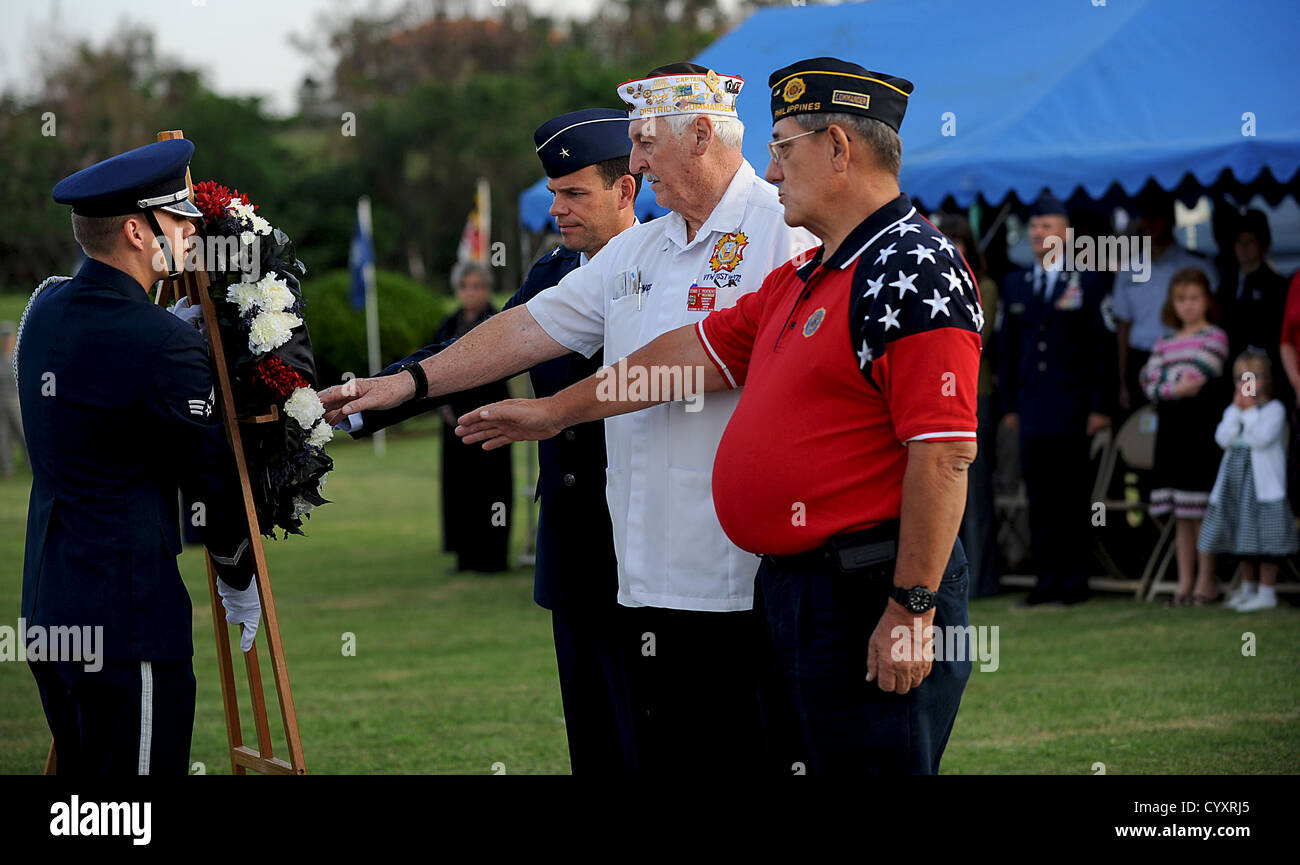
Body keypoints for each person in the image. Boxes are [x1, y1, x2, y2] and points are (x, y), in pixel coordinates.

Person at [453, 57, 981, 775]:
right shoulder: (813, 270)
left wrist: (913, 607)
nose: (769, 170)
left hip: (868, 583)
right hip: (800, 588)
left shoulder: (911, 266)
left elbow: (944, 452)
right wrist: (554, 410)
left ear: (838, 148)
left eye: (784, 149)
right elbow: (690, 354)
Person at [321, 62, 817, 774]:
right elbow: (529, 326)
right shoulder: (643, 248)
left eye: (645, 144)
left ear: (703, 135)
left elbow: (701, 363)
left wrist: (556, 409)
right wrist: (410, 380)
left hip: (744, 586)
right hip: (641, 581)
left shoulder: (783, 235)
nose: (636, 163)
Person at [339, 108, 642, 773]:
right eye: (553, 193)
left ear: (627, 191)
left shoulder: (665, 275)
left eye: (574, 193)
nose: (555, 208)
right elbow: (474, 350)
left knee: (645, 741)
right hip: (573, 548)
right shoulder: (551, 272)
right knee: (593, 744)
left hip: (643, 550)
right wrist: (372, 398)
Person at [20, 139, 259, 774]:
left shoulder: (43, 306)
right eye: (176, 217)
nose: (190, 230)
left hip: (52, 610)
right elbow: (206, 481)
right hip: (127, 621)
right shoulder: (162, 345)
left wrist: (161, 338)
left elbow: (97, 376)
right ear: (135, 229)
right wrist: (239, 575)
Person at [998, 193, 1113, 606]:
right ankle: (1045, 579)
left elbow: (1102, 348)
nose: (1037, 234)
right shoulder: (1017, 283)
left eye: (1045, 226)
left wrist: (1101, 405)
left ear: (1065, 234)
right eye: (1032, 227)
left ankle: (1074, 580)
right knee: (1039, 495)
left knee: (1071, 495)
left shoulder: (1087, 281)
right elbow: (1008, 350)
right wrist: (1011, 405)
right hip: (1032, 407)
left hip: (1073, 406)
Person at [1137, 268, 1229, 606]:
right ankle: (1184, 583)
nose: (1187, 306)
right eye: (1180, 299)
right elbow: (1149, 383)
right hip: (1171, 435)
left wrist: (1166, 385)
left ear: (1206, 299)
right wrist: (1171, 386)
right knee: (1181, 515)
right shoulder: (1164, 341)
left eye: (1194, 298)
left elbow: (1196, 378)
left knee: (1202, 510)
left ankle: (1207, 582)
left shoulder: (1215, 337)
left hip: (1200, 433)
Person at [427, 260, 514, 573]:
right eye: (465, 286)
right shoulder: (448, 326)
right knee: (459, 489)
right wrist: (443, 407)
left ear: (487, 289)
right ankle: (463, 554)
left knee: (491, 488)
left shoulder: (498, 321)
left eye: (477, 286)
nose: (471, 293)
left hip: (490, 420)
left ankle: (492, 557)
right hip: (454, 424)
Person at [1199, 349, 1298, 612]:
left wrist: (1250, 410)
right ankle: (1248, 588)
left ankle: (1267, 592)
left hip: (1263, 489)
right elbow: (1222, 438)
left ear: (1265, 380)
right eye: (1241, 379)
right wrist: (1237, 410)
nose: (1246, 385)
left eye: (1252, 378)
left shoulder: (1274, 410)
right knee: (1244, 539)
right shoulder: (1234, 410)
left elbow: (1260, 439)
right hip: (1236, 487)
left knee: (1266, 540)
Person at [936, 213, 1000, 598]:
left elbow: (979, 336)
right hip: (937, 398)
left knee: (975, 494)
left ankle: (981, 578)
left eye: (956, 240)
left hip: (973, 394)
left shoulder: (984, 285)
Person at [1113, 186, 1217, 416]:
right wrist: (1122, 382)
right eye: (1145, 217)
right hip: (1141, 358)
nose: (1150, 223)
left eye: (1156, 216)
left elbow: (1213, 319)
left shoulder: (1197, 266)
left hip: (1188, 357)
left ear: (1170, 219)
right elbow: (1123, 326)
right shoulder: (1129, 270)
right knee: (1139, 438)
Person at [1217, 209, 1291, 407]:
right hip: (1229, 369)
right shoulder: (1226, 285)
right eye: (1239, 242)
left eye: (1250, 242)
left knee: (1258, 419)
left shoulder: (1277, 285)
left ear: (1264, 245)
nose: (1243, 248)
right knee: (1232, 423)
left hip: (1262, 370)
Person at [0, 321, 25, 477]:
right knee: (3, 437)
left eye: (8, 336)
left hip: (16, 403)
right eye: (4, 337)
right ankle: (7, 470)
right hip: (2, 404)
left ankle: (31, 465)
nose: (6, 340)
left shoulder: (20, 357)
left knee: (23, 434)